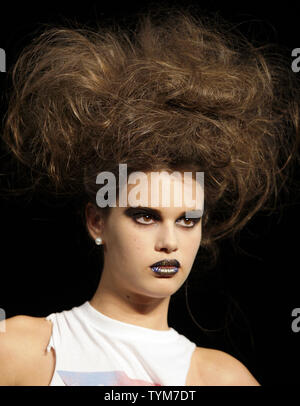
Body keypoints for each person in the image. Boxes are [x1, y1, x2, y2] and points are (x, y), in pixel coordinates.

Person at [0, 5, 299, 386]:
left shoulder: (221, 377)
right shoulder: (21, 350)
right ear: (97, 221)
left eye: (188, 220)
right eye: (145, 216)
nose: (170, 242)